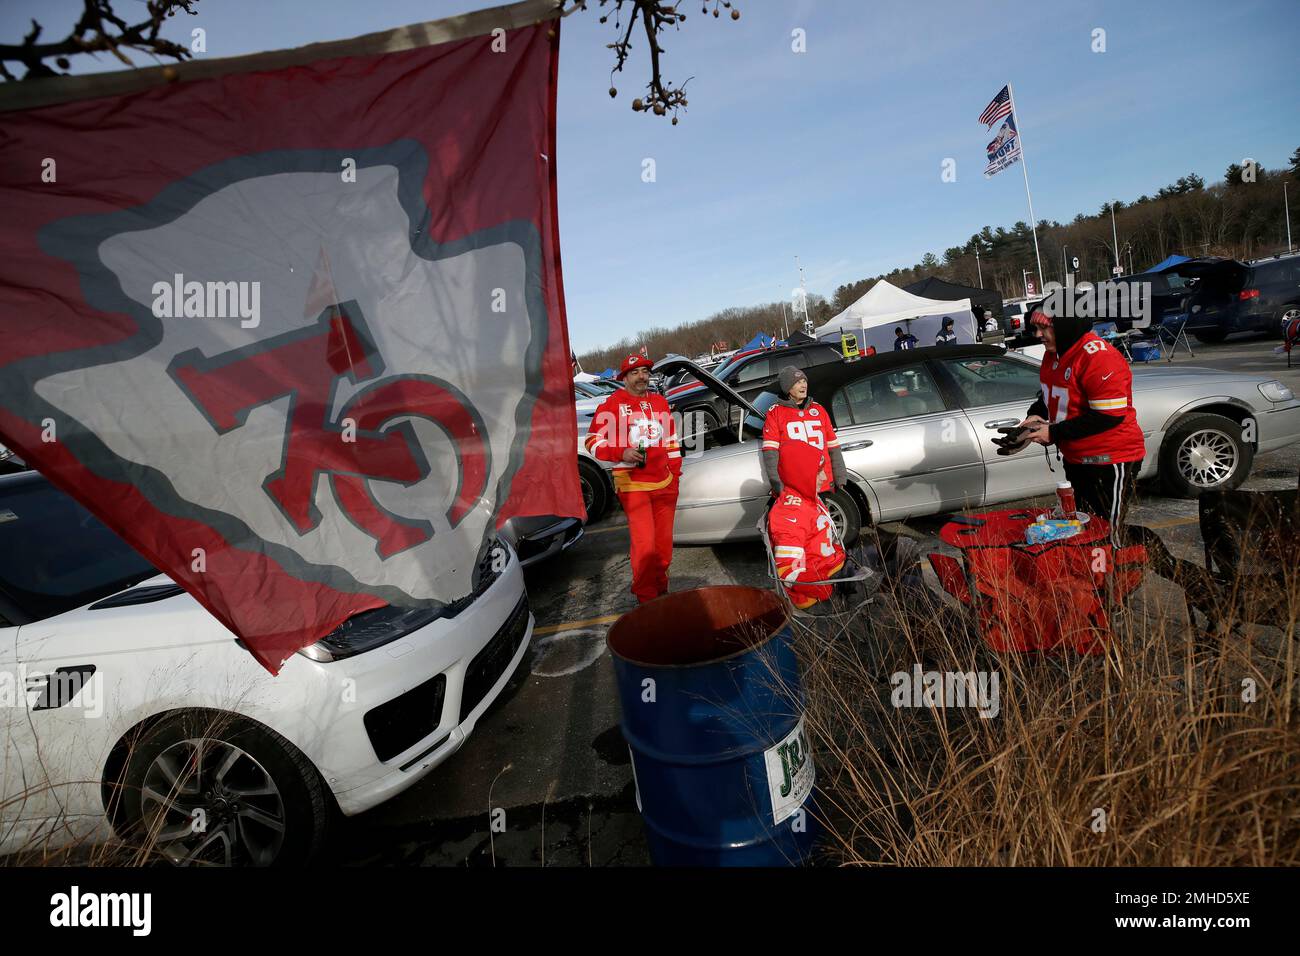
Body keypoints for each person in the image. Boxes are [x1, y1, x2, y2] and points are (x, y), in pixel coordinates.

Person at [1017, 299, 1146, 545]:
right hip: (1077, 459)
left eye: (1045, 327)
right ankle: (1091, 578)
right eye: (1035, 328)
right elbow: (1050, 397)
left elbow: (1108, 415)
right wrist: (1035, 415)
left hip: (1110, 459)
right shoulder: (1054, 353)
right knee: (1082, 529)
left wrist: (1053, 433)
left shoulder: (1098, 356)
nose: (1038, 335)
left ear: (1066, 325)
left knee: (1106, 532)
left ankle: (1115, 579)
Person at [583, 354, 682, 603]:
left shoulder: (659, 402)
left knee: (663, 547)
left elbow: (671, 443)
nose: (642, 377)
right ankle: (646, 600)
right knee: (645, 546)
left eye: (645, 372)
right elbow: (592, 441)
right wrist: (621, 452)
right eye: (635, 373)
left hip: (665, 483)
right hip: (632, 484)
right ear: (624, 377)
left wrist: (675, 477)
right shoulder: (613, 404)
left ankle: (662, 591)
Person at [762, 366, 848, 608]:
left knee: (822, 529)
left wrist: (839, 474)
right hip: (796, 486)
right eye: (797, 382)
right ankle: (819, 575)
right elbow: (770, 453)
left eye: (804, 380)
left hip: (820, 482)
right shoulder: (776, 413)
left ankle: (828, 559)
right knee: (803, 532)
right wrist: (778, 485)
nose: (803, 384)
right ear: (787, 388)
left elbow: (833, 445)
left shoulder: (818, 410)